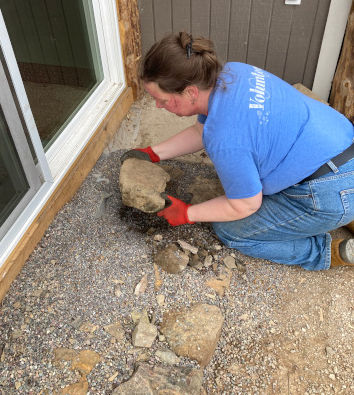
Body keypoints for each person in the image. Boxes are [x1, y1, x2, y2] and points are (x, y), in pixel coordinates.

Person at [121, 32, 354, 271]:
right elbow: (200, 132)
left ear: (190, 92)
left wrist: (188, 213)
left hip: (329, 192)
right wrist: (153, 153)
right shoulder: (233, 73)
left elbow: (245, 204)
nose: (159, 106)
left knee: (231, 231)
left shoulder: (225, 138)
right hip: (342, 148)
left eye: (162, 100)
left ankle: (327, 252)